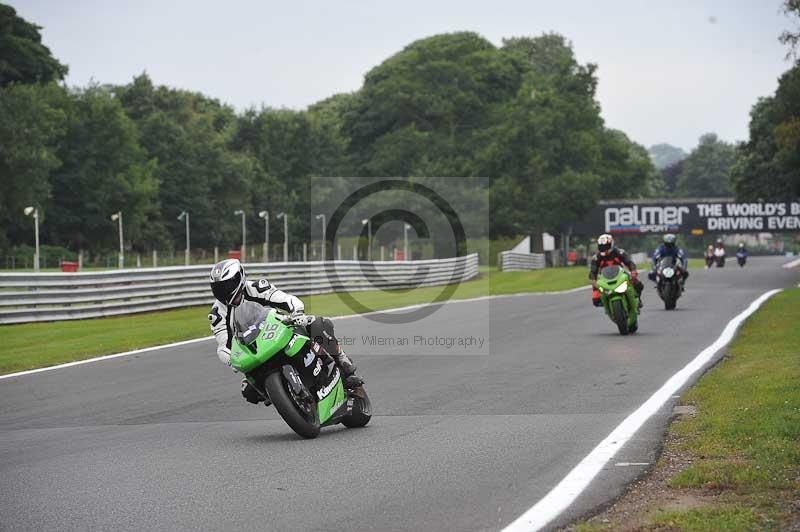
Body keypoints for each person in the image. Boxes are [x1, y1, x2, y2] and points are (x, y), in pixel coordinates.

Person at [208, 259, 357, 405]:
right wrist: (232, 360)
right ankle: (285, 398)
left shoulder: (257, 288)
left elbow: (286, 299)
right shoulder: (217, 314)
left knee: (317, 324)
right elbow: (223, 346)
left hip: (279, 328)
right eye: (218, 288)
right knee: (248, 390)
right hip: (254, 348)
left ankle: (343, 362)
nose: (223, 291)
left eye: (226, 285)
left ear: (239, 278)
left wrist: (297, 313)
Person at [589, 234, 643, 308]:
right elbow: (593, 272)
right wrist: (593, 280)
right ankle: (607, 305)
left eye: (606, 246)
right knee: (595, 299)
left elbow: (629, 262)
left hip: (621, 274)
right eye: (602, 246)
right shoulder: (596, 258)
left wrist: (633, 271)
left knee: (638, 284)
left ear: (611, 244)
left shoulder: (619, 252)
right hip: (604, 278)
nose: (604, 248)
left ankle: (638, 299)